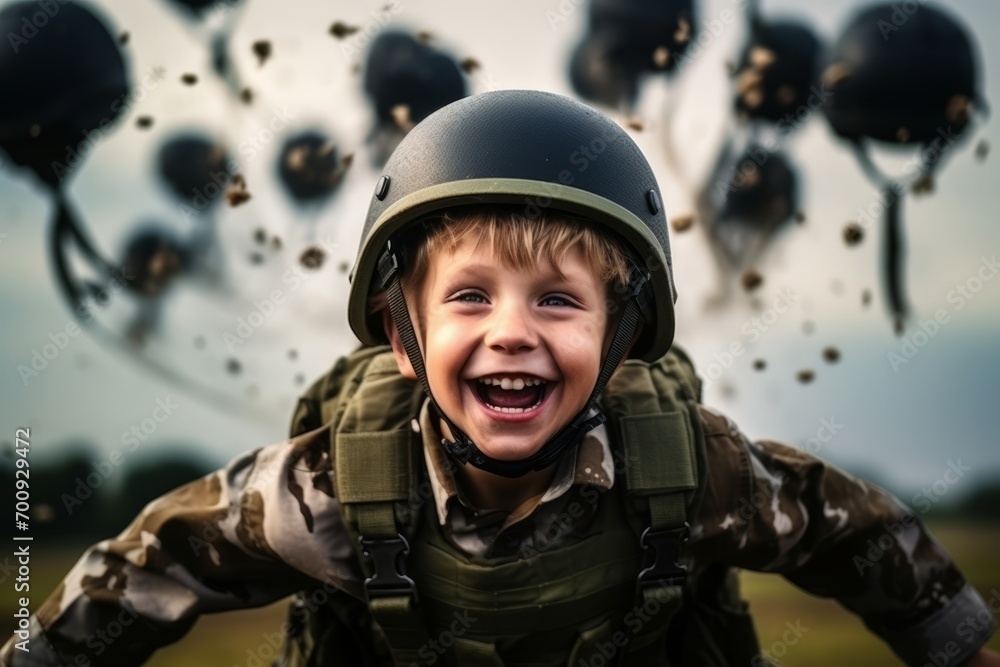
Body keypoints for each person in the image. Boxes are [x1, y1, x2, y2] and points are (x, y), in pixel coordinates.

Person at [3, 90, 997, 667]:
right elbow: (154, 562)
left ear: (620, 336)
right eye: (468, 298)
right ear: (401, 337)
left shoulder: (690, 473)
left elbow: (849, 528)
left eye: (558, 301)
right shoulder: (330, 490)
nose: (510, 334)